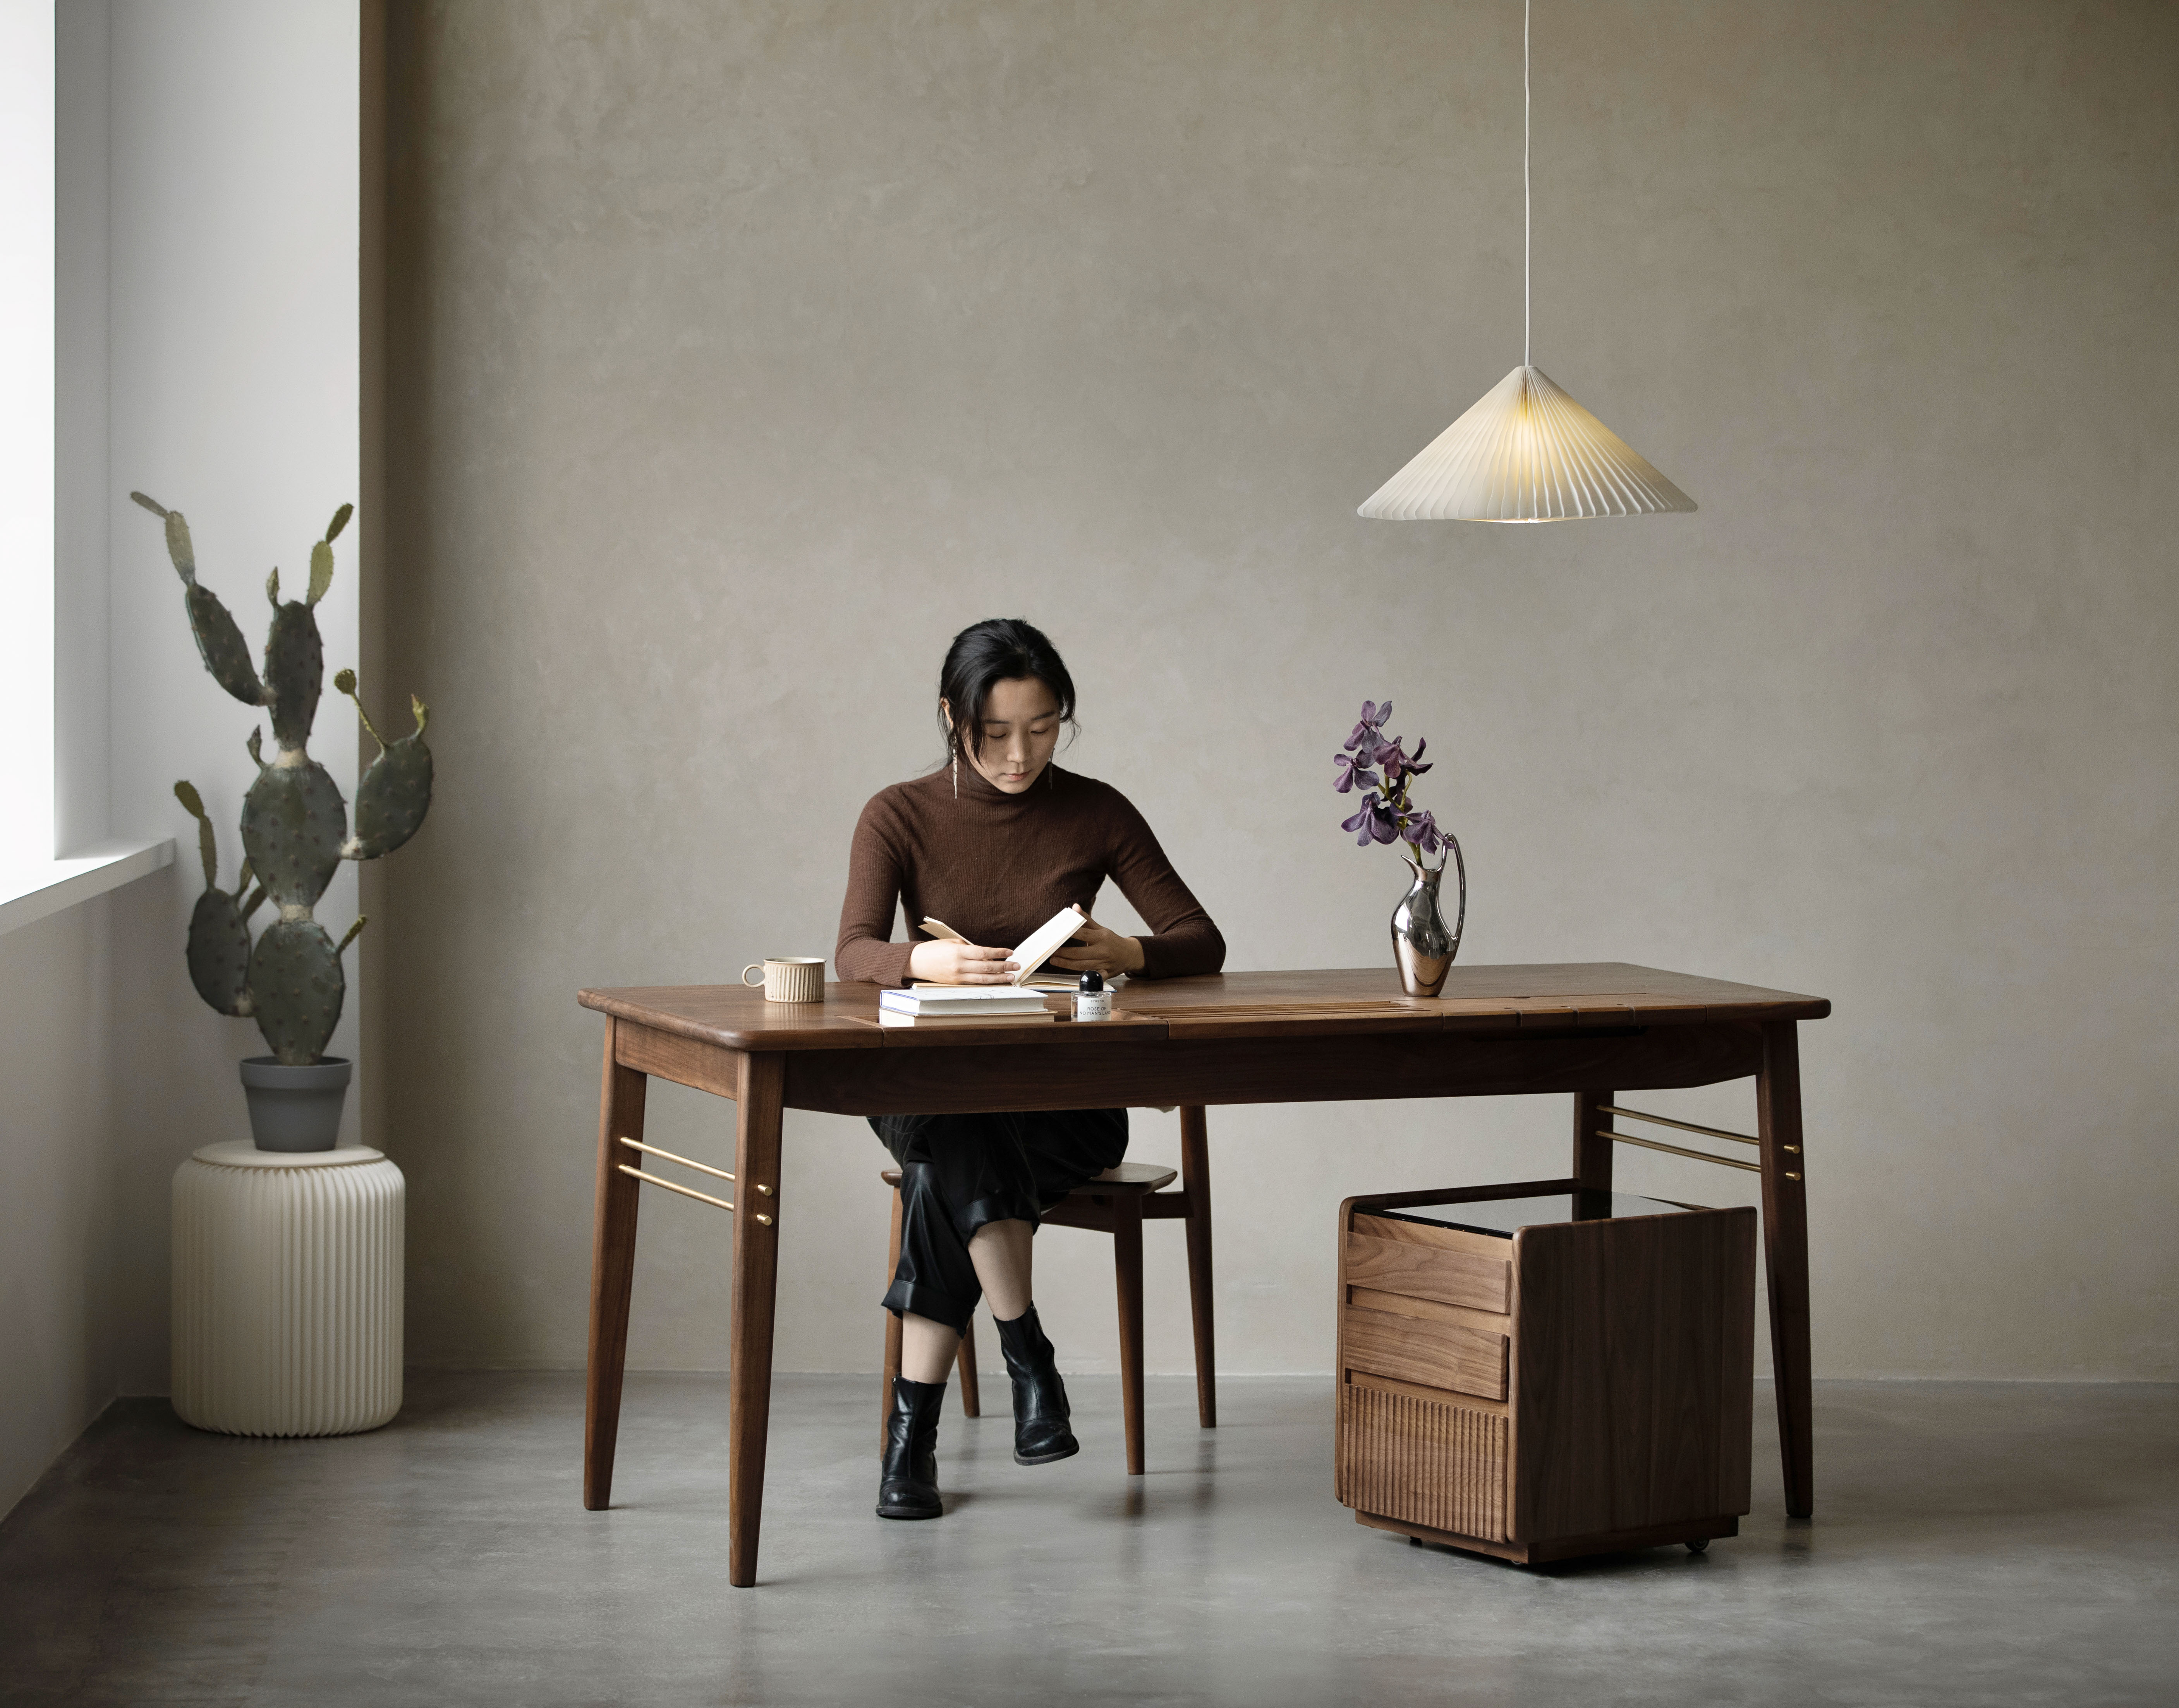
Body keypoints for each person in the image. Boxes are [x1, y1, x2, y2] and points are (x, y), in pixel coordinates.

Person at [835, 617, 1225, 1519]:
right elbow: (854, 950)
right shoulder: (897, 814)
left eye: (1043, 728)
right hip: (935, 1088)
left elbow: (1201, 941)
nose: (1020, 755)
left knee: (947, 1166)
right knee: (961, 1115)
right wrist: (920, 963)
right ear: (951, 718)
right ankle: (1028, 1357)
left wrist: (1128, 948)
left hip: (1065, 1103)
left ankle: (912, 1451)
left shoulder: (1096, 810)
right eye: (996, 733)